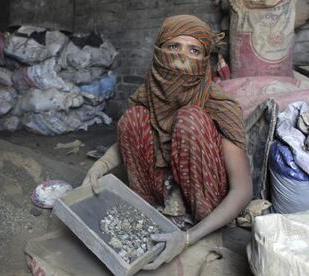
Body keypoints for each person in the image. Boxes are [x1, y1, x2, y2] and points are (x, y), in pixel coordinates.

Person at [82, 15, 252, 270]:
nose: (182, 57)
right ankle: (151, 213)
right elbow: (128, 138)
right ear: (159, 52)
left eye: (194, 50)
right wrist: (102, 165)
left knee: (190, 118)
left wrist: (186, 239)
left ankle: (191, 223)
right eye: (174, 47)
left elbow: (243, 189)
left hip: (205, 202)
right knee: (133, 118)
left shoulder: (220, 104)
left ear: (205, 59)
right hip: (159, 193)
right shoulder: (148, 95)